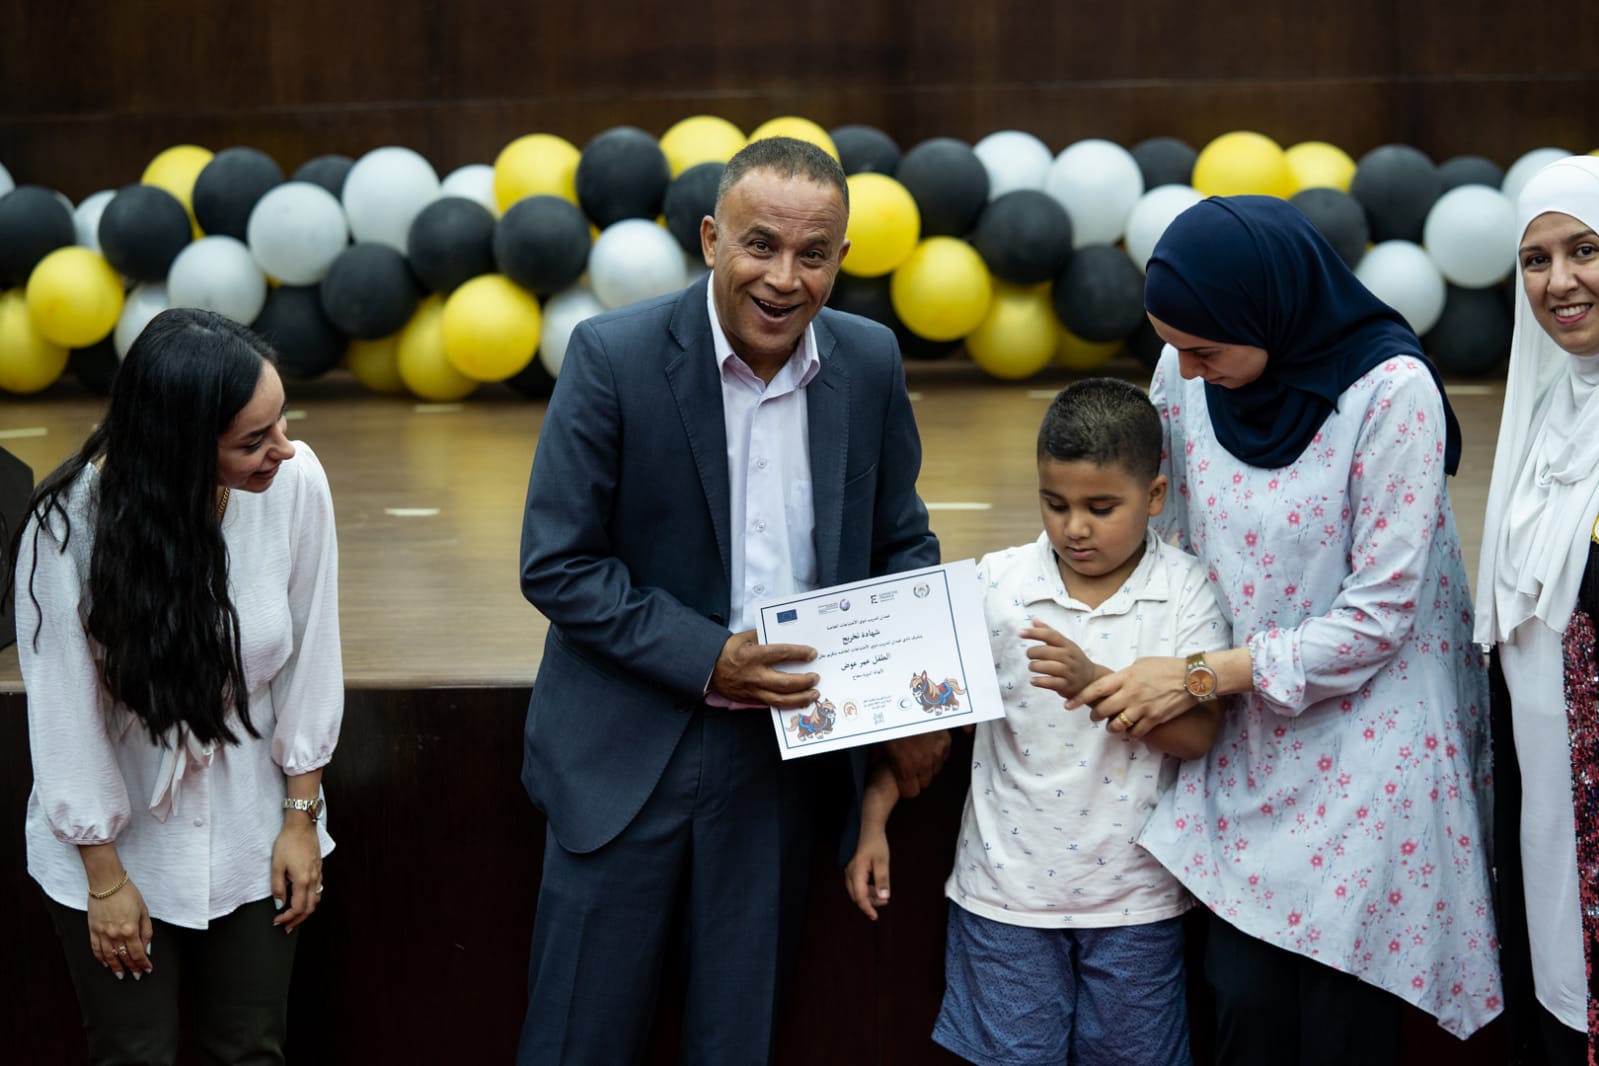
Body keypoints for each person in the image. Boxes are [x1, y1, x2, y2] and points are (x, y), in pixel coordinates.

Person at [515, 136, 943, 1064]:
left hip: (783, 758)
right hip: (625, 749)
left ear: (841, 257)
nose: (785, 279)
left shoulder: (869, 361)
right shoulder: (612, 356)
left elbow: (899, 542)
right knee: (578, 1039)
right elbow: (558, 564)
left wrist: (918, 696)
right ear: (711, 239)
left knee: (736, 1040)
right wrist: (710, 657)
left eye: (813, 254)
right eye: (760, 245)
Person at [1072, 196, 1498, 1061]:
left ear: (1265, 310)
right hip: (1243, 735)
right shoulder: (1185, 373)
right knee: (1244, 1004)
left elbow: (1380, 615)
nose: (1185, 371)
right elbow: (1164, 534)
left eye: (1204, 351)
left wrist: (1198, 675)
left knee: (1340, 1020)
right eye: (1172, 347)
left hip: (1371, 741)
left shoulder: (1390, 392)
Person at [845, 378, 1230, 1066]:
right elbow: (925, 720)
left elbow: (1198, 736)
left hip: (1136, 905)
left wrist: (1094, 684)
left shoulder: (1185, 591)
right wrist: (872, 820)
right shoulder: (996, 586)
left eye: (1100, 508)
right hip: (1004, 902)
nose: (1074, 527)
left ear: (1154, 496)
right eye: (1054, 503)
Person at [8, 306, 342, 1065]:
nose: (284, 450)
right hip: (115, 840)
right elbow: (64, 717)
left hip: (258, 822)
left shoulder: (296, 483)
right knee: (135, 1052)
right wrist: (104, 879)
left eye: (281, 421)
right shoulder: (66, 526)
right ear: (177, 448)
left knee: (250, 1048)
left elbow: (312, 657)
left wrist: (299, 818)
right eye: (252, 441)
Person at [1476, 155, 1599, 1066]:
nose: (1558, 281)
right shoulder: (1546, 412)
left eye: (1584, 250)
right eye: (1534, 259)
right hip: (1548, 814)